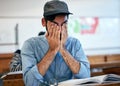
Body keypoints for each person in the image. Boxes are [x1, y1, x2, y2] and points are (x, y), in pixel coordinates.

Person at [21, 0, 90, 86]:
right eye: (55, 25)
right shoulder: (30, 45)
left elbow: (86, 76)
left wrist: (63, 49)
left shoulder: (75, 44)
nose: (60, 29)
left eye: (64, 24)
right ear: (43, 22)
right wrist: (52, 51)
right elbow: (30, 82)